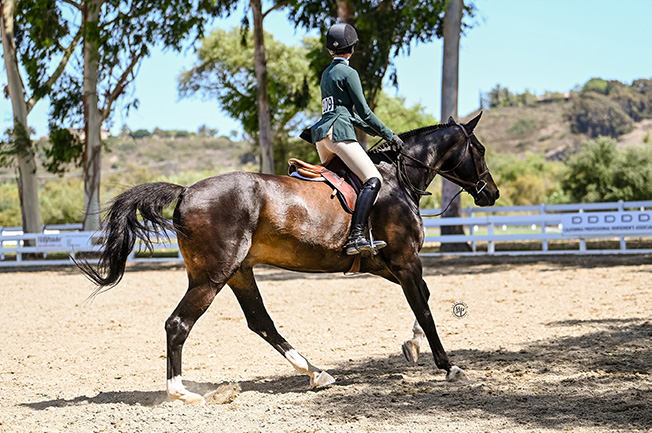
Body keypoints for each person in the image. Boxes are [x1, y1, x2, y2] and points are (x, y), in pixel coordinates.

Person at [309, 22, 404, 256]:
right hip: (340, 134)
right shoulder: (349, 73)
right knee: (373, 179)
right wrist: (388, 134)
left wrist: (369, 130)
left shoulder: (327, 73)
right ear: (351, 47)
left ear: (331, 49)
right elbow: (364, 112)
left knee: (346, 182)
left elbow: (343, 111)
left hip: (323, 136)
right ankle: (356, 236)